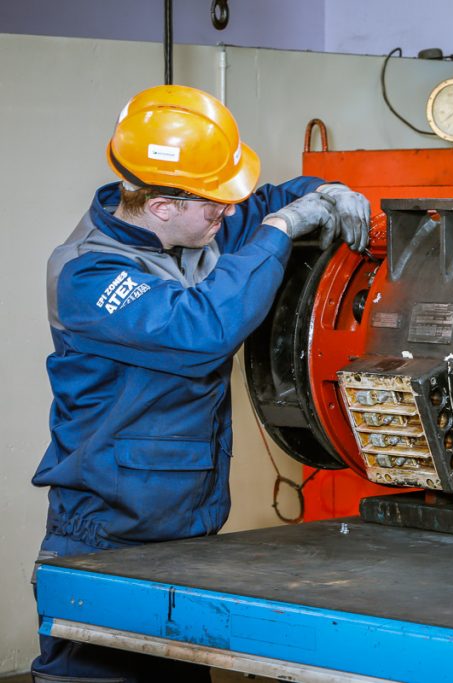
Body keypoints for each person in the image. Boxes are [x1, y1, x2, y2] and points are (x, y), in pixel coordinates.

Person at [30, 84, 371, 683]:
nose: (229, 214)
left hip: (188, 531)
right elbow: (202, 328)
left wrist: (325, 193)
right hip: (107, 534)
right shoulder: (88, 274)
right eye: (216, 203)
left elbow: (269, 201)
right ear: (163, 205)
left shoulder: (199, 229)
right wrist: (281, 229)